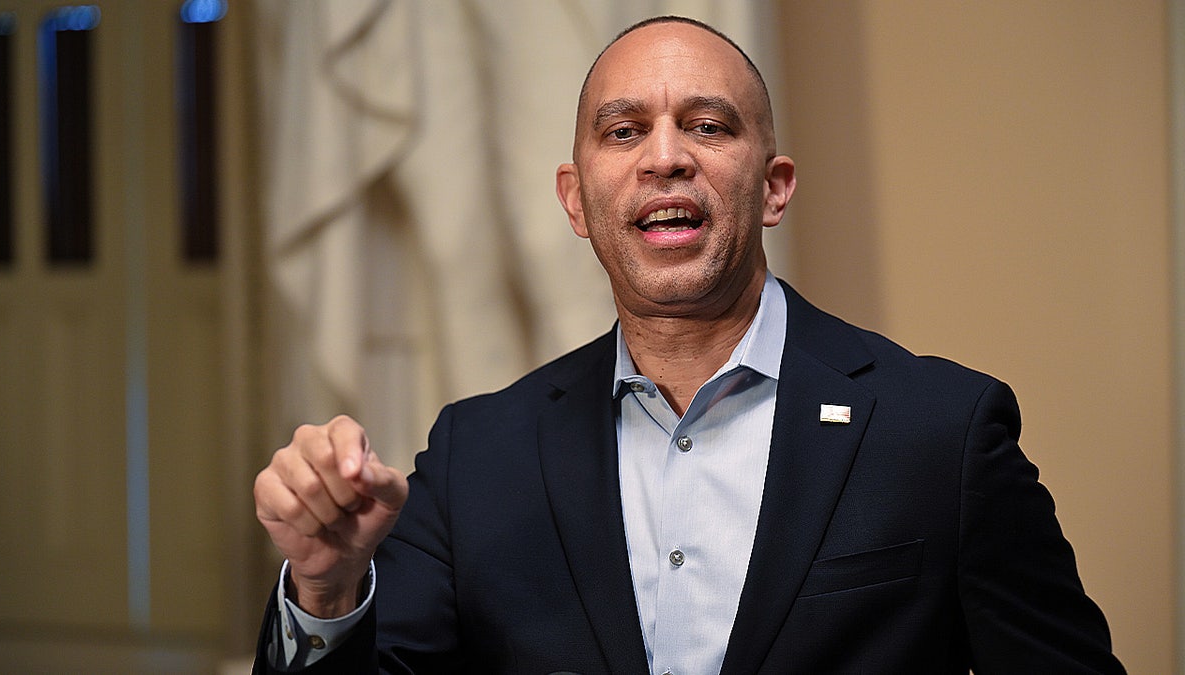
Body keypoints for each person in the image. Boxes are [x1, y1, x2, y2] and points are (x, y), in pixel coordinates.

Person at [252, 15, 1125, 674]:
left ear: (775, 186)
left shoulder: (941, 432)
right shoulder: (479, 455)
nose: (664, 157)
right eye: (623, 131)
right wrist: (325, 592)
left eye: (708, 126)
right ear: (575, 200)